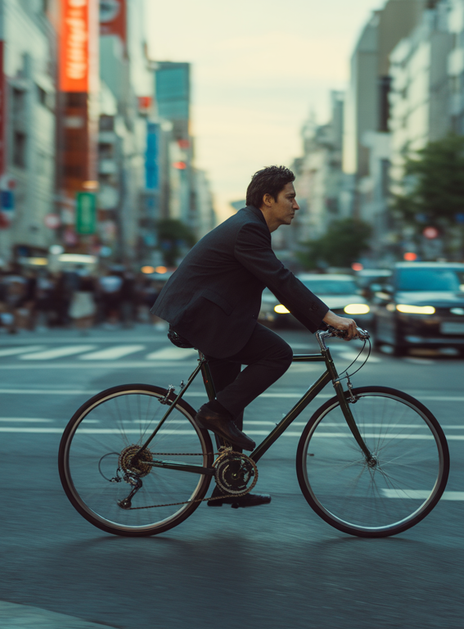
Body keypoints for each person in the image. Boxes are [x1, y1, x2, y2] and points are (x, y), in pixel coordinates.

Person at [150, 165, 359, 508]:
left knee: (232, 401)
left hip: (214, 319)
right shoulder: (249, 229)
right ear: (267, 199)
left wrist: (321, 320)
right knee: (278, 354)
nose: (297, 205)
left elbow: (275, 281)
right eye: (290, 197)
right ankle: (213, 414)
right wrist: (328, 317)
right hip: (207, 320)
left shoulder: (248, 226)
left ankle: (229, 482)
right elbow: (281, 280)